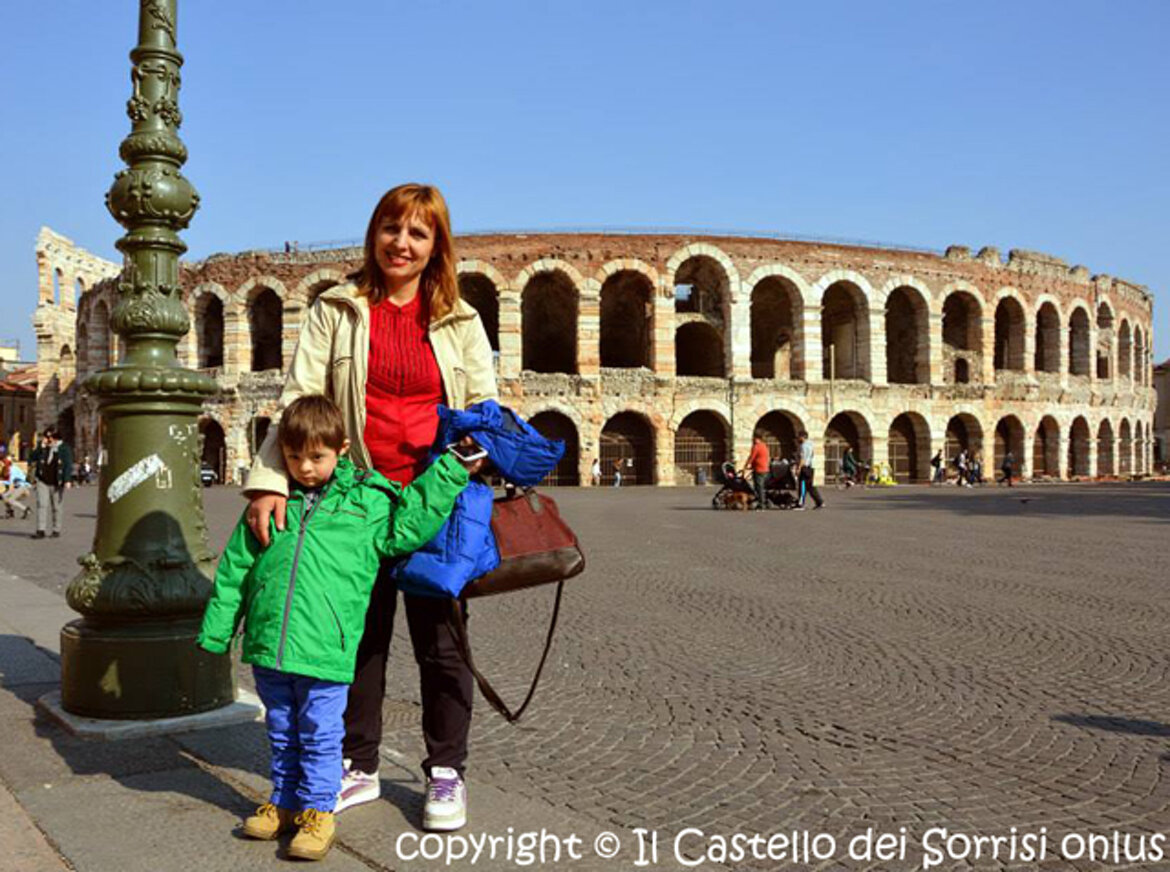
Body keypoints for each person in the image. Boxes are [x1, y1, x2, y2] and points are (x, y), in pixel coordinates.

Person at [242, 184, 497, 831]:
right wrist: (270, 479)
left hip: (434, 499)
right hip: (354, 501)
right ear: (373, 233)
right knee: (358, 638)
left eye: (418, 233)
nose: (402, 244)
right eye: (392, 228)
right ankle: (358, 763)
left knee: (441, 643)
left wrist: (473, 456)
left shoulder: (460, 321)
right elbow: (302, 395)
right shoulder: (338, 309)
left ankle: (446, 771)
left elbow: (486, 407)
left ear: (437, 244)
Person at [198, 395, 477, 860]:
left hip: (327, 647)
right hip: (271, 644)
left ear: (342, 448)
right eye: (293, 457)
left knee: (322, 733)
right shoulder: (273, 502)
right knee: (282, 730)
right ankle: (284, 801)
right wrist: (217, 630)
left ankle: (319, 810)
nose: (304, 468)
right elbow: (235, 570)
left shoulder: (368, 501)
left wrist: (451, 469)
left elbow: (409, 522)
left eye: (316, 457)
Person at [28, 428, 73, 539]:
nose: (47, 440)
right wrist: (40, 448)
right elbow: (31, 457)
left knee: (57, 506)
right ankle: (41, 530)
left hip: (57, 481)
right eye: (46, 437)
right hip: (42, 480)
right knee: (41, 505)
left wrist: (67, 480)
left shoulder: (64, 448)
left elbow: (68, 464)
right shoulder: (43, 447)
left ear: (55, 437)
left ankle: (56, 529)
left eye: (49, 437)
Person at [793, 430, 824, 510]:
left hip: (805, 467)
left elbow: (803, 458)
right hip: (811, 467)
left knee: (802, 486)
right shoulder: (811, 444)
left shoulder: (803, 446)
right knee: (810, 486)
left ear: (802, 437)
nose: (798, 439)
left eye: (799, 437)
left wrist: (798, 468)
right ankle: (819, 501)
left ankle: (800, 504)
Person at [742, 432, 770, 510]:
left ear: (756, 438)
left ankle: (761, 504)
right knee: (761, 486)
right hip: (765, 468)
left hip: (759, 469)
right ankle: (762, 501)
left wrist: (746, 466)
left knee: (759, 487)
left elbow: (752, 457)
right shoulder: (764, 446)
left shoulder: (757, 446)